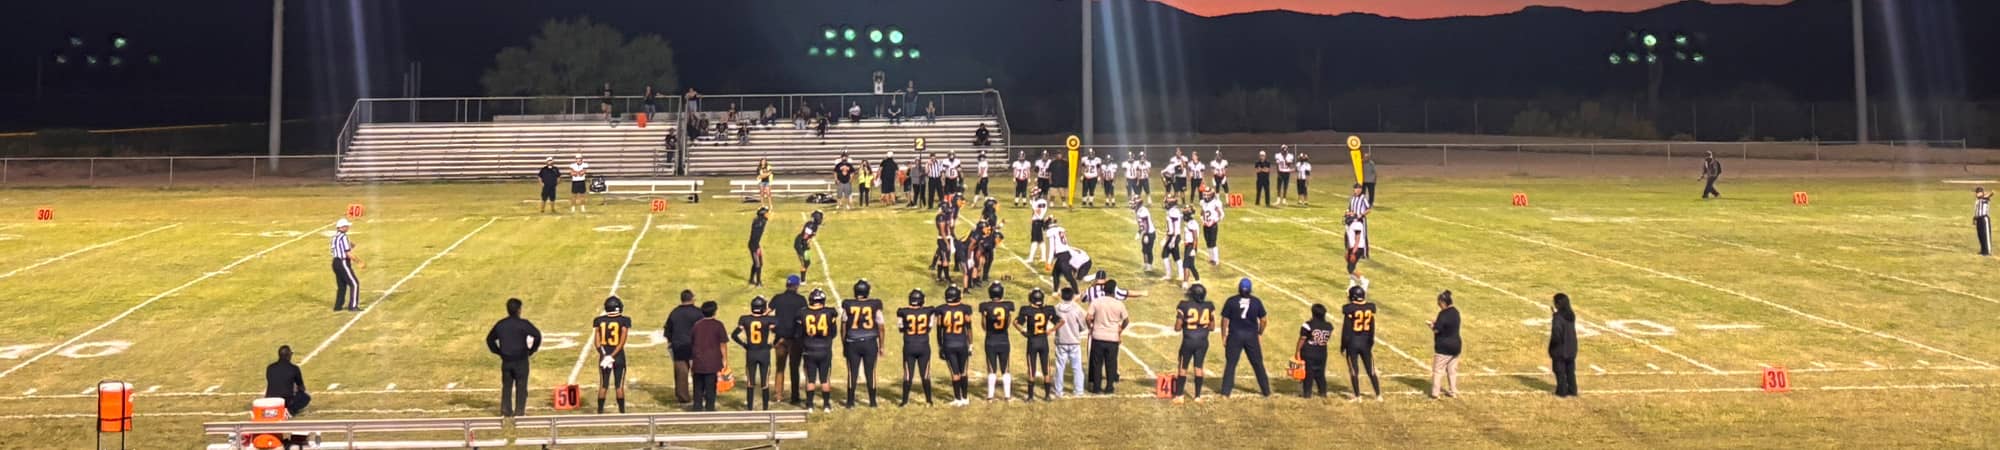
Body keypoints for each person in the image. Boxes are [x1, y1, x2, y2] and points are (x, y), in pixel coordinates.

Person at [485, 298, 541, 417]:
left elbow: (489, 339)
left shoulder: (501, 324)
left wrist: (498, 352)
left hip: (506, 361)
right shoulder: (523, 324)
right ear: (519, 310)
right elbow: (537, 335)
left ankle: (506, 410)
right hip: (521, 360)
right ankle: (519, 411)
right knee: (521, 387)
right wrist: (531, 350)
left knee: (507, 386)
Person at [1217, 278, 1270, 397]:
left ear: (1239, 288)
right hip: (1251, 336)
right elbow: (1263, 320)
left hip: (1235, 335)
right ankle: (1266, 391)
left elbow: (1225, 320)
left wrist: (1223, 336)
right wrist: (1259, 332)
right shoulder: (1256, 301)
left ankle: (1225, 392)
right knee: (1257, 363)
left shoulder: (1231, 301)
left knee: (1231, 364)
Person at [841, 280, 887, 408]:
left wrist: (844, 343)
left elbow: (843, 325)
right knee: (870, 372)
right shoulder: (875, 304)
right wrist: (882, 345)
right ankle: (873, 402)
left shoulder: (848, 304)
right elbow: (881, 326)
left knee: (852, 372)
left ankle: (850, 402)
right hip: (870, 342)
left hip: (852, 342)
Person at [732, 296, 779, 410]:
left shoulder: (744, 319)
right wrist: (772, 345)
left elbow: (734, 335)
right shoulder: (769, 320)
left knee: (750, 382)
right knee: (765, 382)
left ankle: (749, 407)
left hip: (751, 353)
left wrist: (744, 345)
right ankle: (765, 408)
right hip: (764, 353)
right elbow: (780, 333)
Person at [797, 289, 841, 412]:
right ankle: (826, 405)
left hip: (809, 349)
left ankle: (810, 405)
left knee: (810, 379)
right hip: (824, 349)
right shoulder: (830, 312)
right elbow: (833, 333)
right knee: (825, 379)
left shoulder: (803, 313)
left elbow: (799, 333)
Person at [1084, 280, 1130, 394]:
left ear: (1104, 290)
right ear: (1114, 290)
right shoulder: (1119, 304)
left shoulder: (1096, 302)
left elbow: (1088, 317)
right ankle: (1109, 387)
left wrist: (1090, 327)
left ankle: (1096, 387)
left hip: (1098, 336)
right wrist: (1120, 329)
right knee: (1111, 363)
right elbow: (1126, 320)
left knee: (1097, 363)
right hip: (1112, 338)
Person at [934, 286, 977, 406]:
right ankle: (965, 397)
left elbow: (939, 329)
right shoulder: (965, 309)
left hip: (948, 343)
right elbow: (968, 327)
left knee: (955, 373)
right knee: (963, 372)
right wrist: (971, 344)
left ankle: (957, 399)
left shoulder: (941, 309)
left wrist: (940, 346)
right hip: (962, 342)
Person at [1172, 284, 1215, 403]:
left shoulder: (1183, 305)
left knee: (1183, 367)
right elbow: (1212, 327)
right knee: (1199, 367)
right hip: (1203, 341)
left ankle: (1180, 396)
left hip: (1189, 340)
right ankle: (1197, 396)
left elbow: (1177, 327)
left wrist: (1187, 324)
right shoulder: (1209, 306)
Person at [770, 276, 809, 405]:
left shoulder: (778, 298)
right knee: (794, 368)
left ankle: (778, 396)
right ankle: (795, 397)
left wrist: (773, 326)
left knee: (779, 368)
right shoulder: (801, 300)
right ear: (797, 286)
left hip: (780, 338)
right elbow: (805, 318)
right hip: (795, 339)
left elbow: (766, 313)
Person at [1015, 288, 1057, 401]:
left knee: (1031, 368)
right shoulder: (1048, 309)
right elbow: (1061, 321)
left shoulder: (1026, 310)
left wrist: (1023, 331)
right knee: (1046, 369)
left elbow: (1015, 323)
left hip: (1032, 341)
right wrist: (1051, 330)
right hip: (1043, 341)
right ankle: (1047, 396)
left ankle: (1030, 396)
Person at [663, 290, 704, 405]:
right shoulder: (698, 312)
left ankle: (683, 396)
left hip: (679, 346)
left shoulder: (674, 312)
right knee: (698, 372)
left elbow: (668, 331)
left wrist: (671, 343)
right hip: (695, 346)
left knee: (681, 373)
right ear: (691, 299)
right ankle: (699, 394)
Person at [1341, 286, 1381, 401]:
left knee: (1354, 370)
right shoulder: (1370, 308)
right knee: (1371, 370)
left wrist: (1343, 346)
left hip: (1353, 342)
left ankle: (1357, 396)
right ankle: (1378, 394)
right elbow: (1372, 327)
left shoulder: (1349, 309)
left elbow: (1346, 330)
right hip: (1365, 342)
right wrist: (1371, 342)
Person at [897, 289, 936, 406]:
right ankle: (929, 400)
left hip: (909, 345)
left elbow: (900, 328)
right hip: (923, 345)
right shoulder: (929, 310)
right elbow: (929, 327)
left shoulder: (902, 312)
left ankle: (904, 401)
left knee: (908, 375)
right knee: (925, 374)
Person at [593, 296, 632, 413]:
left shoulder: (599, 321)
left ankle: (600, 412)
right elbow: (622, 342)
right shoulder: (624, 320)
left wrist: (605, 356)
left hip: (604, 357)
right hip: (618, 357)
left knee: (603, 385)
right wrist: (612, 356)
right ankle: (622, 412)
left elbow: (597, 342)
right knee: (619, 386)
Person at [978, 283, 1016, 401]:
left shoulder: (985, 306)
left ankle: (990, 396)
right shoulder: (1008, 306)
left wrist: (984, 317)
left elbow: (984, 327)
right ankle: (1007, 395)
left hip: (990, 340)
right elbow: (1008, 323)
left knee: (991, 369)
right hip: (1004, 340)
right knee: (1006, 368)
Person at [691, 301, 728, 412]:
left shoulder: (696, 325)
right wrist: (725, 360)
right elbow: (723, 344)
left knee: (698, 388)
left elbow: (692, 342)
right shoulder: (718, 325)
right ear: (715, 311)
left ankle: (697, 408)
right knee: (710, 388)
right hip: (713, 362)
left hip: (698, 361)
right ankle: (709, 409)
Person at [1051, 287, 1088, 398]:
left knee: (1060, 367)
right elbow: (1082, 326)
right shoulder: (1076, 309)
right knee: (1077, 367)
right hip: (1074, 342)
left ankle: (1058, 391)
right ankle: (1078, 390)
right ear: (1072, 296)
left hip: (1061, 341)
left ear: (1061, 296)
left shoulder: (1056, 308)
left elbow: (1054, 323)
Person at [1427, 290, 1462, 399]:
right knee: (1452, 370)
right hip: (1456, 345)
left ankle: (1435, 393)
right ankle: (1453, 391)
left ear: (1443, 302)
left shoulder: (1443, 314)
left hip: (1444, 347)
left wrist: (1431, 325)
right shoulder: (1456, 312)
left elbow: (1437, 330)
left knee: (1438, 370)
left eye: (1439, 303)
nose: (1438, 305)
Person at [1296, 304, 1334, 399]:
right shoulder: (1329, 326)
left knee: (1308, 374)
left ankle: (1307, 393)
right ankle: (1322, 392)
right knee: (1320, 374)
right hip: (1322, 352)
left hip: (1309, 352)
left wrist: (1297, 351)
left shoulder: (1307, 325)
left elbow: (1302, 339)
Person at [264, 346, 310, 416]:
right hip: (285, 401)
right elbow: (302, 387)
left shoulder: (270, 368)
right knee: (305, 397)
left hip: (270, 400)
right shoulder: (294, 368)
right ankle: (289, 411)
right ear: (288, 355)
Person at [1550, 292, 1579, 397]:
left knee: (1560, 370)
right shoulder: (1571, 315)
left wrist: (1552, 348)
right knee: (1570, 371)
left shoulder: (1558, 318)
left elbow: (1556, 333)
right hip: (1572, 347)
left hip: (1561, 349)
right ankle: (1572, 390)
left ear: (1558, 304)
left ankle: (1561, 391)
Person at [330, 218, 360, 312]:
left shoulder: (335, 237)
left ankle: (338, 306)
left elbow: (340, 247)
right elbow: (347, 253)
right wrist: (358, 261)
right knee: (354, 284)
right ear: (342, 227)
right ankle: (353, 306)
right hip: (343, 262)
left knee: (342, 286)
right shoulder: (343, 237)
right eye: (346, 226)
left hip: (335, 262)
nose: (348, 227)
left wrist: (351, 244)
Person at [794, 210, 824, 280]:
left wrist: (808, 242)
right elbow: (805, 236)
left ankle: (803, 278)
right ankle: (802, 280)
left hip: (804, 244)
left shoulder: (814, 226)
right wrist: (806, 243)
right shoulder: (811, 225)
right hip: (800, 244)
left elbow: (809, 237)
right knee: (804, 262)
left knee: (807, 262)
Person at [1344, 213, 1370, 290]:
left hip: (1358, 248)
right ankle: (1352, 284)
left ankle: (1364, 281)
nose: (1346, 218)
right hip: (1352, 248)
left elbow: (1357, 239)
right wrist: (1348, 251)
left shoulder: (1357, 225)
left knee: (1351, 268)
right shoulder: (1349, 226)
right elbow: (1349, 240)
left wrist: (1353, 252)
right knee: (1350, 267)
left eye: (1347, 216)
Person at [1200, 187, 1225, 267]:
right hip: (1205, 225)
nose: (1206, 197)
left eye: (1208, 195)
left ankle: (1216, 260)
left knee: (1213, 243)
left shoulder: (1216, 203)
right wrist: (1203, 220)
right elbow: (1202, 213)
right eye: (1205, 195)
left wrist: (1215, 221)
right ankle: (1211, 258)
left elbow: (1222, 214)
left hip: (1213, 225)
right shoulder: (1203, 203)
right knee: (1208, 243)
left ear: (1212, 195)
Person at [1348, 183, 1373, 259]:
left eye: (1359, 189)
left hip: (1361, 220)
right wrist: (1348, 214)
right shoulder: (1352, 198)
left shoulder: (1363, 198)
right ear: (1354, 189)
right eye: (1356, 189)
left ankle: (1365, 254)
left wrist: (1361, 214)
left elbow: (1369, 209)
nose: (1358, 190)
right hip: (1353, 220)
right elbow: (1350, 209)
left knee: (1363, 236)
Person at [1133, 197, 1158, 273]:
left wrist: (1146, 234)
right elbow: (1141, 225)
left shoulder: (1143, 211)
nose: (1133, 204)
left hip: (1149, 232)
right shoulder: (1139, 210)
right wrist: (1139, 232)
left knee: (1148, 250)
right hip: (1146, 232)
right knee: (1144, 250)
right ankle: (1146, 265)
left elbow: (1146, 224)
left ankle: (1149, 266)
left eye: (1135, 202)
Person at [748, 207, 768, 288]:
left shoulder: (760, 221)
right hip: (754, 245)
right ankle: (758, 282)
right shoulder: (759, 222)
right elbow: (754, 237)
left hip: (756, 244)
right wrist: (756, 248)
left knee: (758, 263)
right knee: (758, 264)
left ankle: (751, 279)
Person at [1977, 187, 1993, 256]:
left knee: (1986, 235)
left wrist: (1990, 194)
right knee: (1981, 235)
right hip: (1979, 219)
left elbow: (1989, 196)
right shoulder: (1978, 201)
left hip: (1984, 219)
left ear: (1981, 193)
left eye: (1978, 192)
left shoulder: (1984, 199)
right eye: (1976, 192)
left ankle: (1987, 251)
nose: (1976, 194)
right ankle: (1983, 250)